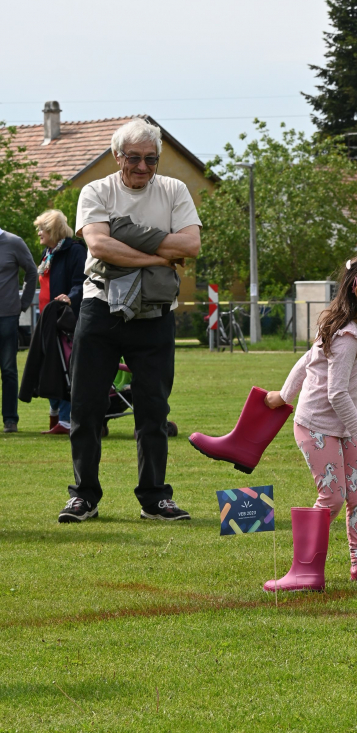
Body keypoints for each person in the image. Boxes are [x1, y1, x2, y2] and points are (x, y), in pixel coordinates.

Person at [59, 118, 201, 523]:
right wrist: (160, 255)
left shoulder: (174, 190)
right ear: (116, 156)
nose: (142, 168)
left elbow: (191, 243)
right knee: (86, 407)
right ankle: (83, 495)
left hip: (154, 314)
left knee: (153, 409)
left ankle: (155, 498)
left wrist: (129, 241)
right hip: (100, 308)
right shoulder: (96, 190)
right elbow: (100, 245)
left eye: (151, 159)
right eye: (134, 158)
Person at [263, 251, 357, 588]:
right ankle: (303, 570)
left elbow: (306, 360)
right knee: (334, 497)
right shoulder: (346, 336)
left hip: (342, 429)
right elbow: (336, 393)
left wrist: (284, 395)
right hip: (316, 428)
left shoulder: (339, 324)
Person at [33, 209, 86, 434]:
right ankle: (55, 416)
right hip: (47, 320)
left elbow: (82, 282)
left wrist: (69, 297)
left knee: (65, 368)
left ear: (53, 229)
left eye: (42, 228)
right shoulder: (49, 252)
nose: (38, 233)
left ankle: (65, 420)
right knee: (49, 367)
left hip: (65, 320)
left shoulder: (74, 251)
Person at [0, 224, 37, 433]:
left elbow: (32, 272)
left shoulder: (14, 242)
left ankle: (10, 420)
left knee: (8, 369)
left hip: (7, 315)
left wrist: (23, 303)